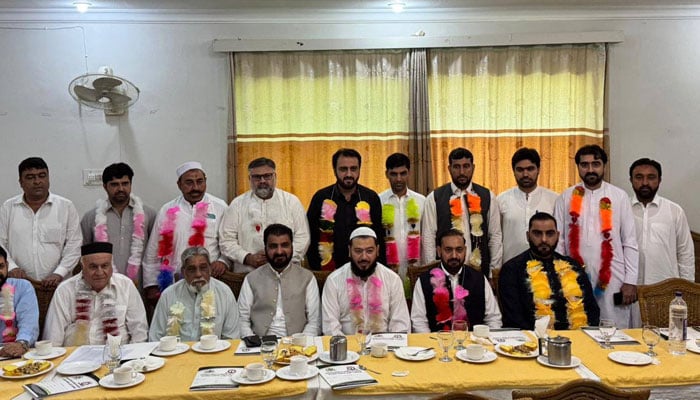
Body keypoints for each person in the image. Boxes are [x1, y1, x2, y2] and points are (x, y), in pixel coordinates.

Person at [554, 145, 638, 328]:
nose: (590, 169)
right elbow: (558, 241)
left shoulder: (619, 197)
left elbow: (629, 241)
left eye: (596, 164)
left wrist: (630, 281)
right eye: (584, 165)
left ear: (604, 166)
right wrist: (561, 275)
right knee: (578, 323)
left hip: (613, 277)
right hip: (573, 275)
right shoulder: (565, 198)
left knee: (613, 327)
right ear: (578, 167)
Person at [142, 161, 230, 304]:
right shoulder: (167, 210)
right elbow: (153, 250)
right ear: (179, 184)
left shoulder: (220, 207)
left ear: (205, 181)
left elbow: (228, 241)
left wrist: (223, 261)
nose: (195, 187)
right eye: (189, 182)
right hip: (174, 284)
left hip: (210, 281)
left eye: (199, 181)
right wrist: (151, 285)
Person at [499, 212, 600, 330]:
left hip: (577, 337)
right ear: (528, 236)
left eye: (550, 234)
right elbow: (514, 319)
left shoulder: (572, 266)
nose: (544, 239)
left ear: (557, 235)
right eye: (537, 234)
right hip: (535, 339)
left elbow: (592, 309)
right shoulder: (512, 269)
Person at [629, 158, 695, 327]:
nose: (645, 182)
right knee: (630, 338)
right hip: (630, 291)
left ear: (659, 180)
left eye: (651, 177)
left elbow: (685, 253)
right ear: (631, 180)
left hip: (666, 291)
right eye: (639, 177)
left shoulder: (674, 211)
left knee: (664, 339)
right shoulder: (622, 210)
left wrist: (687, 290)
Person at [43, 242, 148, 345]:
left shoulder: (126, 285)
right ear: (82, 267)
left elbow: (139, 332)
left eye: (105, 266)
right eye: (93, 267)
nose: (99, 272)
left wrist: (132, 360)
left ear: (111, 266)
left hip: (119, 356)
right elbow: (53, 338)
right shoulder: (65, 290)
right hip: (75, 358)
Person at [0, 157, 81, 288]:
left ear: (48, 178)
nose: (37, 181)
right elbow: (0, 243)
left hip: (59, 285)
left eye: (42, 176)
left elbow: (74, 245)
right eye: (30, 177)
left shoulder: (66, 207)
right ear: (20, 182)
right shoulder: (8, 208)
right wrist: (12, 268)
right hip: (18, 285)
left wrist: (59, 273)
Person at [421, 148, 502, 278]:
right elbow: (429, 237)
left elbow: (495, 236)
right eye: (457, 167)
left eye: (466, 166)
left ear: (473, 167)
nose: (462, 172)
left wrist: (493, 272)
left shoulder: (487, 196)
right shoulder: (435, 198)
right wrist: (433, 273)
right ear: (449, 168)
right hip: (445, 273)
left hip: (479, 272)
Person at [220, 157, 309, 273]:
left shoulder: (291, 202)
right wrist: (247, 257)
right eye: (257, 177)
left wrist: (278, 258)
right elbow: (226, 240)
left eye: (267, 176)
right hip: (247, 273)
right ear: (249, 179)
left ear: (275, 177)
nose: (262, 181)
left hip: (286, 272)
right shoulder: (237, 204)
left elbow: (303, 238)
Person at [322, 227, 409, 336]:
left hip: (384, 347)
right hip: (347, 348)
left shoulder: (392, 279)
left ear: (377, 250)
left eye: (369, 251)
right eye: (358, 251)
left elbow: (400, 325)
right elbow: (330, 328)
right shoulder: (334, 281)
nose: (364, 257)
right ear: (349, 250)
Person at [307, 148, 384, 271]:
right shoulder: (321, 198)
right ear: (334, 170)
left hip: (364, 270)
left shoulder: (370, 198)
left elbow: (379, 237)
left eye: (353, 169)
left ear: (359, 169)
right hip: (328, 271)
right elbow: (311, 237)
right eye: (343, 169)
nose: (349, 174)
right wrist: (319, 269)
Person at [411, 229, 502, 332]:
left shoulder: (479, 279)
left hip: (474, 343)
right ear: (439, 251)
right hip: (437, 343)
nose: (454, 255)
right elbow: (419, 322)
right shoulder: (424, 281)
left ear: (465, 251)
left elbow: (493, 319)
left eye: (459, 250)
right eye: (448, 250)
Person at [80, 162, 156, 286]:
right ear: (105, 186)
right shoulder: (91, 217)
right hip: (104, 287)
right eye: (114, 184)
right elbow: (84, 256)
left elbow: (154, 252)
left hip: (139, 285)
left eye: (125, 183)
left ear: (131, 184)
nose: (120, 189)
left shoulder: (148, 214)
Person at [238, 224, 319, 338]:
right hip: (260, 344)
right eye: (273, 246)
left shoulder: (307, 278)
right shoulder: (251, 279)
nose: (279, 251)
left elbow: (314, 321)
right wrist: (252, 341)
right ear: (265, 248)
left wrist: (301, 344)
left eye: (285, 245)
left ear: (292, 247)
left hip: (298, 345)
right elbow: (242, 319)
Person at [149, 247, 240, 341]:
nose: (198, 274)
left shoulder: (224, 293)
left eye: (203, 268)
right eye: (192, 269)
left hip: (215, 354)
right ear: (183, 272)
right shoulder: (169, 295)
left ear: (210, 269)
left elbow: (232, 337)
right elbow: (156, 337)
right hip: (176, 354)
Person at [497, 148, 558, 265]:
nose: (525, 174)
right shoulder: (501, 199)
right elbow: (496, 238)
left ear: (538, 170)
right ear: (513, 171)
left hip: (546, 266)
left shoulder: (554, 199)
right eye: (520, 170)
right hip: (510, 267)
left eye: (530, 169)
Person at [379, 153, 425, 280]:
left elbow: (426, 238)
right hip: (387, 271)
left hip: (416, 269)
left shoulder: (421, 201)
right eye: (394, 174)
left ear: (409, 173)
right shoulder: (379, 201)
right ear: (386, 174)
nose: (399, 179)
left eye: (403, 173)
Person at [0, 245, 39, 358]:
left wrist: (21, 343)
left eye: (1, 266)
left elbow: (28, 322)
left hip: (16, 354)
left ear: (7, 266)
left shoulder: (22, 287)